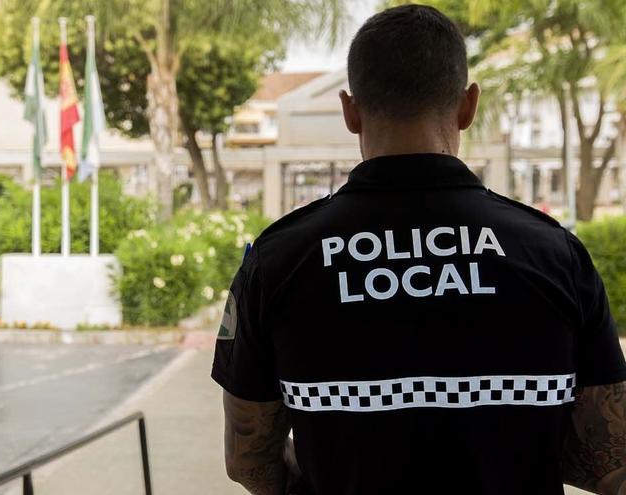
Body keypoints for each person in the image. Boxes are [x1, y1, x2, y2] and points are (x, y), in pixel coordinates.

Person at [211, 5, 626, 495]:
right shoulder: (554, 253)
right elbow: (611, 458)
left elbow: (248, 459)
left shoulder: (279, 260)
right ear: (468, 106)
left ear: (350, 111)